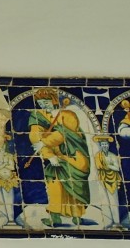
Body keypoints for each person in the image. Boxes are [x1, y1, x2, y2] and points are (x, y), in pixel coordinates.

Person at [27, 87, 90, 226]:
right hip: (55, 155)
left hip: (74, 156)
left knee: (75, 184)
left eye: (46, 101)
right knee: (54, 184)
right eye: (40, 102)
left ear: (54, 100)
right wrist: (49, 155)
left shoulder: (68, 115)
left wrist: (44, 142)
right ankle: (54, 217)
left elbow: (67, 133)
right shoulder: (38, 115)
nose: (43, 105)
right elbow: (35, 135)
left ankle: (77, 216)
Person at [94, 137, 122, 229]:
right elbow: (98, 167)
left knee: (114, 201)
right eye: (103, 145)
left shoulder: (112, 156)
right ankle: (108, 222)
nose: (104, 146)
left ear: (108, 145)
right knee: (105, 202)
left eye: (106, 144)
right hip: (103, 179)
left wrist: (108, 165)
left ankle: (117, 222)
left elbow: (117, 168)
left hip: (112, 180)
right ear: (100, 146)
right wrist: (109, 165)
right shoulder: (98, 156)